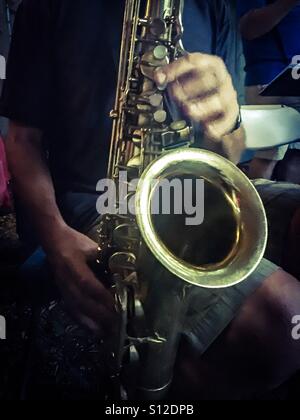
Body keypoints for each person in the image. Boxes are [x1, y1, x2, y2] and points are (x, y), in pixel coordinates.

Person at [1, 0, 300, 399]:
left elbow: (229, 152)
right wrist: (55, 240)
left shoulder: (216, 8)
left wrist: (226, 123)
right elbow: (22, 139)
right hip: (102, 199)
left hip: (193, 185)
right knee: (283, 320)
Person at [238, 0, 300, 180]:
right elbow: (249, 28)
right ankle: (255, 205)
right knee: (267, 156)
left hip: (289, 74)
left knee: (269, 157)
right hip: (268, 79)